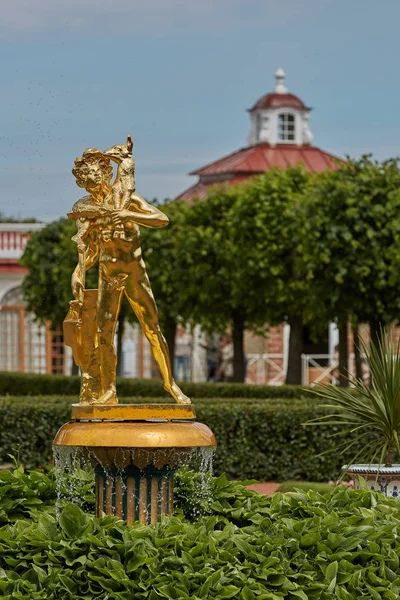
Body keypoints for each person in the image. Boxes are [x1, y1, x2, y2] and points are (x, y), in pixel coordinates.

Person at [68, 143, 190, 405]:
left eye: (93, 176)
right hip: (108, 275)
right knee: (104, 334)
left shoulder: (127, 197)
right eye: (85, 180)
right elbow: (90, 252)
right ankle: (109, 390)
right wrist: (79, 270)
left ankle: (171, 384)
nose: (90, 182)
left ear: (104, 172)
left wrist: (127, 214)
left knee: (152, 329)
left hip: (135, 273)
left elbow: (162, 219)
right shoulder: (88, 210)